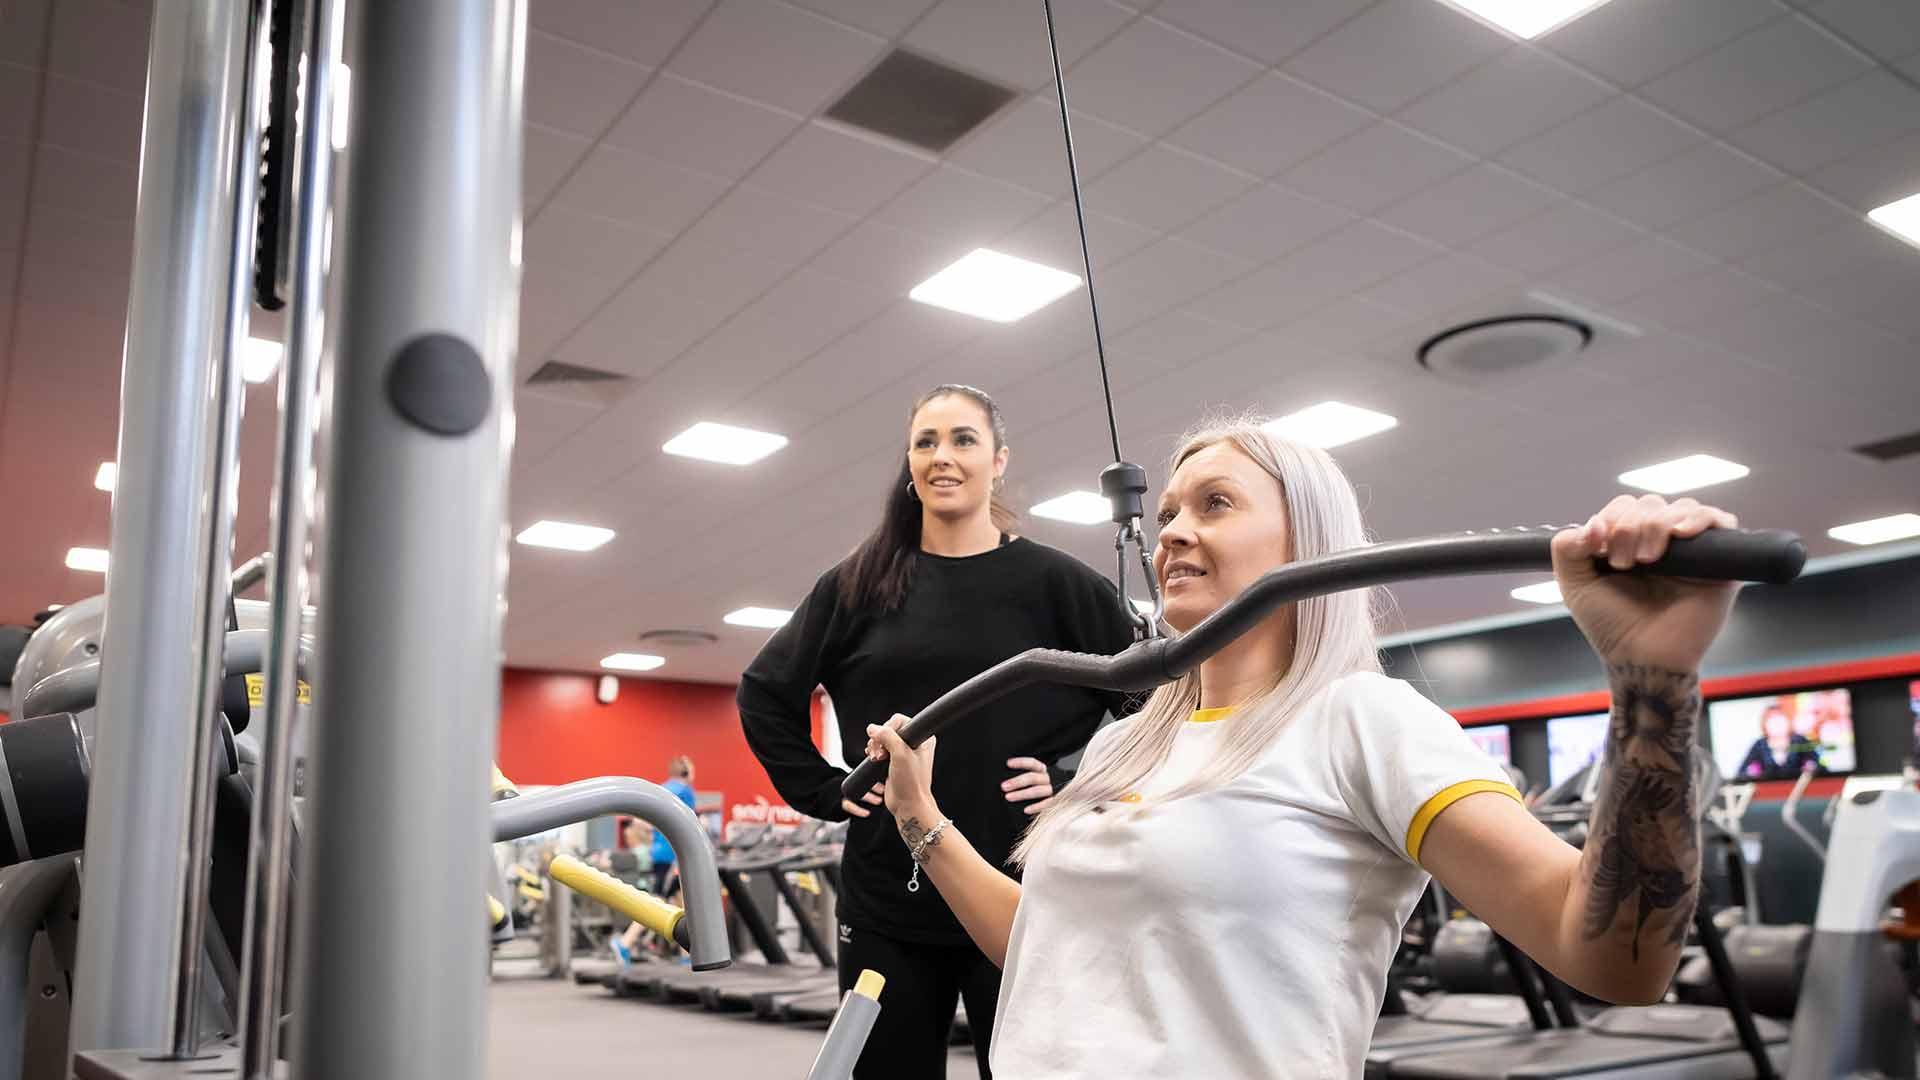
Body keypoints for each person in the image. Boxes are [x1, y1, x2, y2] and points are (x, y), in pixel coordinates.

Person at [860, 417, 1741, 1078]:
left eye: (1215, 504)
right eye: (1166, 512)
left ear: (1307, 541)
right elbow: (1053, 946)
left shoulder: (1362, 720)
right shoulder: (1120, 748)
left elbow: (1614, 960)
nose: (1168, 531)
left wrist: (1651, 681)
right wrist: (919, 818)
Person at [738, 384, 1139, 1078]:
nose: (941, 457)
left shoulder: (1059, 584)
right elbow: (765, 692)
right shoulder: (858, 585)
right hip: (888, 900)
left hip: (1021, 896)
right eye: (925, 441)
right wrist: (827, 790)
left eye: (962, 440)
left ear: (999, 459)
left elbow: (1159, 708)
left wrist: (1078, 788)